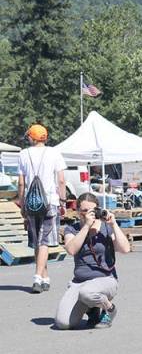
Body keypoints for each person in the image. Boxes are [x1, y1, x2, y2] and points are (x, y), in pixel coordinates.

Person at [56, 193, 130, 329]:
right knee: (63, 323)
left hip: (105, 279)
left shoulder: (106, 227)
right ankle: (92, 309)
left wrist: (114, 224)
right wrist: (86, 226)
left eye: (92, 210)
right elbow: (71, 250)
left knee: (88, 293)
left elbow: (125, 249)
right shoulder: (72, 229)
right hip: (79, 282)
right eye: (84, 211)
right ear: (78, 211)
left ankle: (109, 309)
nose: (89, 214)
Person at [17, 124, 66, 293]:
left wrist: (22, 204)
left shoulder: (23, 154)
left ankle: (44, 278)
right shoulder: (54, 153)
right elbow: (61, 180)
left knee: (38, 240)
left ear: (32, 138)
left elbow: (21, 183)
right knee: (44, 240)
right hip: (50, 201)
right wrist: (63, 201)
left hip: (31, 203)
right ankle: (38, 277)